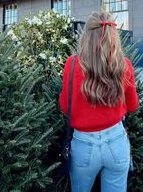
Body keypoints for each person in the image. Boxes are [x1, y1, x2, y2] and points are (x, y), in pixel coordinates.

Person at [59, 11, 138, 192]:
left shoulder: (72, 64)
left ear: (86, 35)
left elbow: (64, 107)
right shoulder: (124, 64)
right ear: (114, 36)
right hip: (117, 141)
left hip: (83, 145)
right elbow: (133, 106)